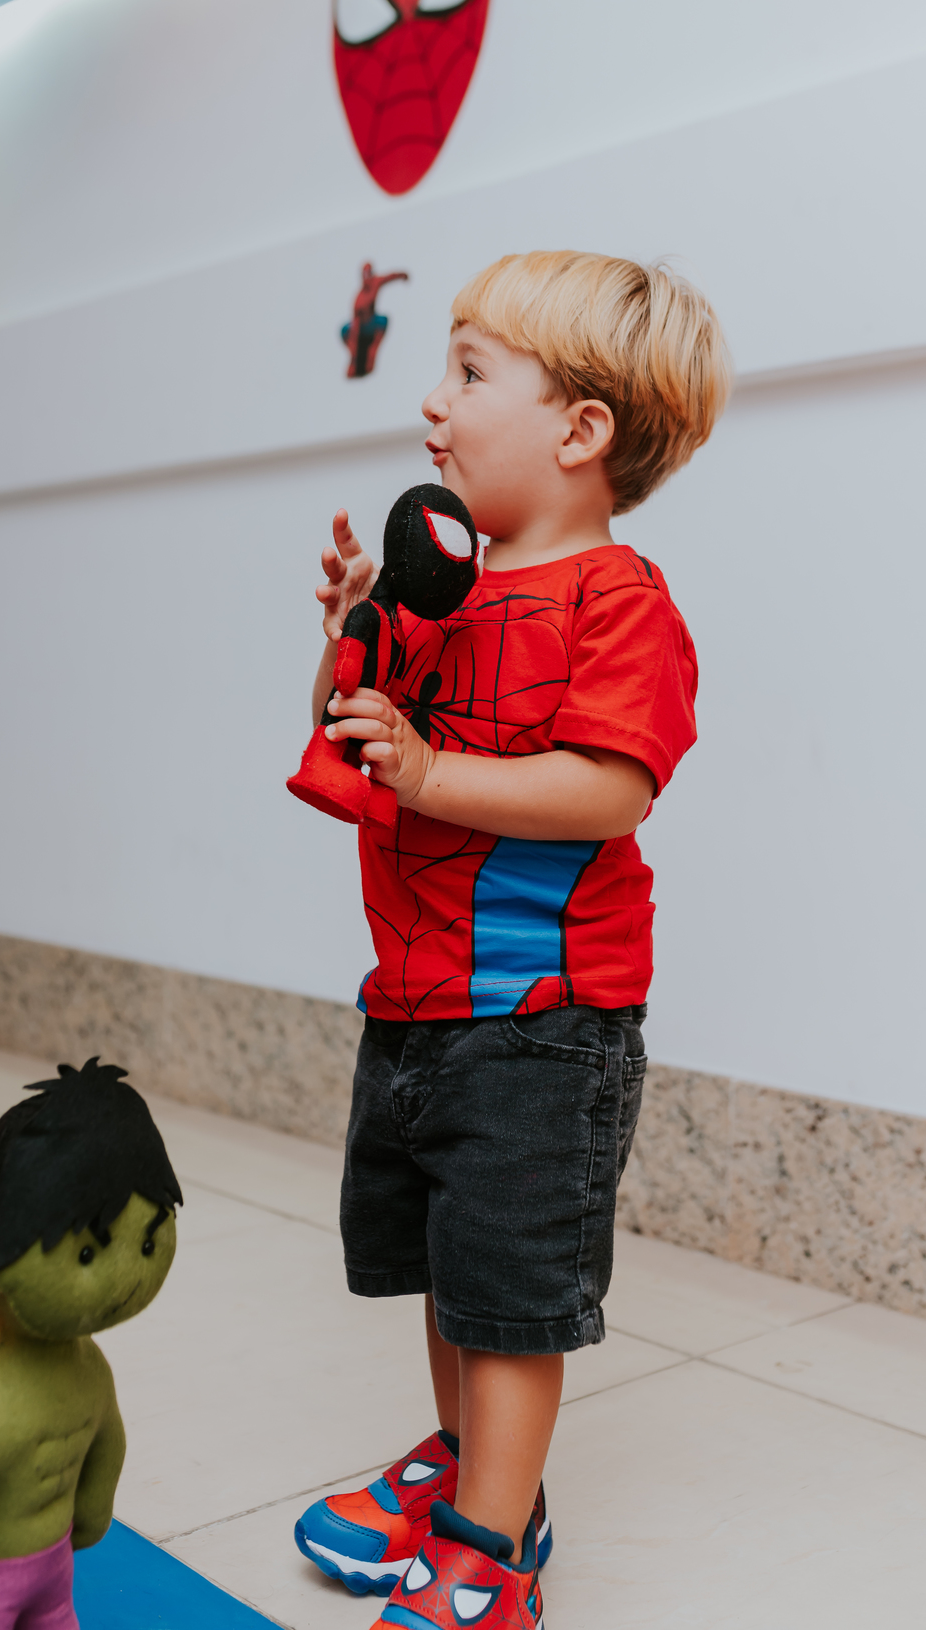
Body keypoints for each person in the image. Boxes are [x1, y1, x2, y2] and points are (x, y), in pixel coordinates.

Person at [294, 249, 730, 1629]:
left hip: (541, 1017)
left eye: (470, 373)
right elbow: (350, 741)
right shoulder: (450, 593)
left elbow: (609, 787)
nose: (433, 405)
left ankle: (495, 1540)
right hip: (416, 1003)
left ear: (581, 429)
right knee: (446, 1260)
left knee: (510, 1294)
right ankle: (472, 1462)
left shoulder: (622, 603)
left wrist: (428, 772)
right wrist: (354, 637)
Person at [0, 1059, 181, 1630]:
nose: (124, 1277)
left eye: (148, 1243)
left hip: (56, 1571)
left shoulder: (90, 1370)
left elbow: (107, 1441)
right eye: (85, 1254)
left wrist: (92, 1512)